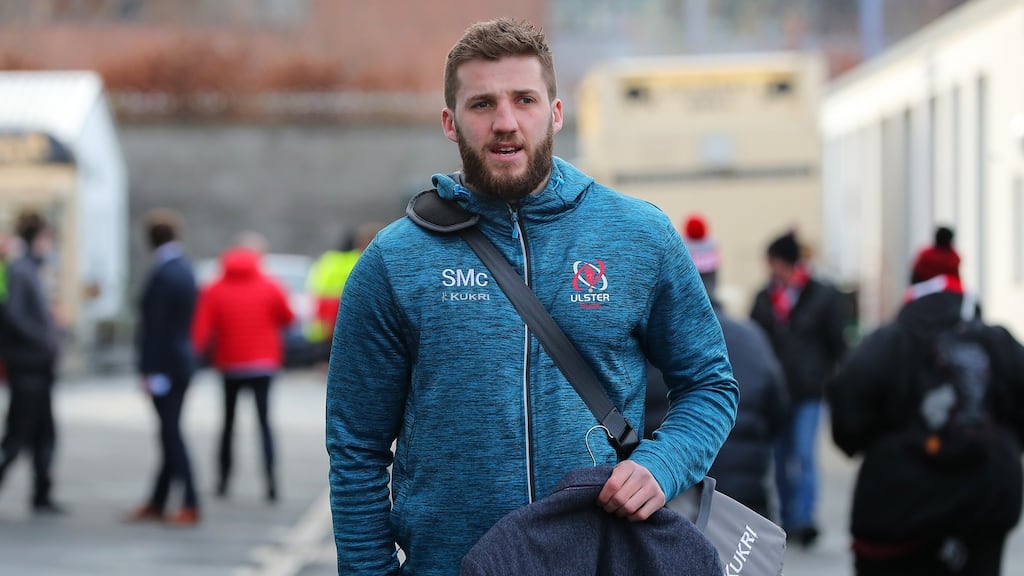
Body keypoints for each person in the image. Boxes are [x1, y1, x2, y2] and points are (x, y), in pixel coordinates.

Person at [326, 18, 739, 575]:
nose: (505, 122)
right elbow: (356, 445)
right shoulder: (394, 261)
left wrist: (662, 466)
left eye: (524, 99)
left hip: (602, 560)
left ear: (556, 112)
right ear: (450, 122)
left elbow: (710, 384)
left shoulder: (638, 234)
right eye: (482, 105)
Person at [828, 227, 1024, 576]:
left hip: (903, 506)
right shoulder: (997, 341)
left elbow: (847, 413)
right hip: (988, 497)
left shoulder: (890, 342)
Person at [647, 215, 788, 520]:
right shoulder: (751, 338)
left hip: (669, 504)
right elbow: (779, 412)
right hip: (744, 508)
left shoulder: (645, 345)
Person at [750, 229, 846, 546]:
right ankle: (788, 517)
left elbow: (837, 345)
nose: (769, 268)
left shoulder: (822, 296)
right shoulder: (764, 299)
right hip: (775, 395)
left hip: (808, 393)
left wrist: (834, 381)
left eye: (773, 261)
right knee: (779, 458)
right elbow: (756, 345)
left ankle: (805, 519)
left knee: (803, 456)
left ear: (785, 263)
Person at [191, 236, 294, 502]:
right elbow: (288, 317)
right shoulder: (270, 285)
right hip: (263, 364)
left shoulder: (215, 288)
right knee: (264, 423)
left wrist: (194, 356)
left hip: (230, 364)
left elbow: (201, 329)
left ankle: (224, 480)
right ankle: (271, 482)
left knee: (227, 424)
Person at [125, 209, 201, 526]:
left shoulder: (164, 272)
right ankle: (158, 501)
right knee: (168, 433)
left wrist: (149, 371)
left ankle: (191, 501)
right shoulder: (182, 268)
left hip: (166, 366)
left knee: (171, 435)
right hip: (179, 361)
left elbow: (155, 328)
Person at [0, 211, 63, 514]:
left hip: (37, 361)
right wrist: (42, 338)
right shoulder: (20, 271)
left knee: (43, 432)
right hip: (28, 362)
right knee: (18, 433)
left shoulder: (33, 270)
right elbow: (13, 315)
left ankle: (42, 493)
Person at [305, 223, 382, 359]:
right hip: (347, 315)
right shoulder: (361, 260)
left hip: (326, 317)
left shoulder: (328, 259)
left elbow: (314, 286)